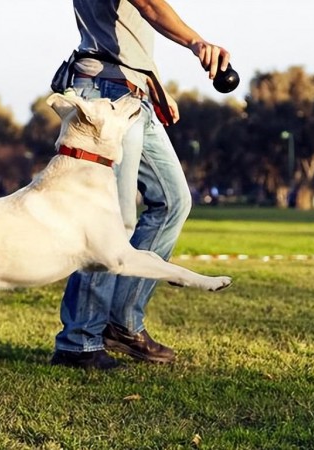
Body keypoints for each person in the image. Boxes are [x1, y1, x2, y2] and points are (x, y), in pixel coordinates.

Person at [49, 0, 232, 369]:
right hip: (106, 94)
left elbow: (126, 31)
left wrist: (152, 84)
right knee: (111, 223)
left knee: (173, 201)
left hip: (132, 92)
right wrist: (196, 42)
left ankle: (122, 323)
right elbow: (148, 4)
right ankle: (79, 341)